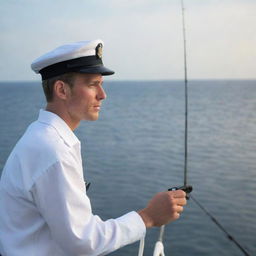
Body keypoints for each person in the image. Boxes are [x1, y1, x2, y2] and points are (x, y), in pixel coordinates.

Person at [0, 39, 187, 255]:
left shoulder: (42, 137)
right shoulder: (53, 150)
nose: (102, 94)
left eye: (101, 84)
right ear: (61, 89)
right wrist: (148, 217)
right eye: (92, 84)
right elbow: (83, 242)